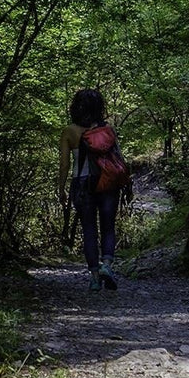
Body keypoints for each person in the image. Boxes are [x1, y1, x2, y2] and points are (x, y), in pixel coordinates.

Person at [58, 89, 131, 291]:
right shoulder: (108, 129)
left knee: (89, 230)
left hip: (82, 184)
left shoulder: (69, 131)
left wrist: (61, 188)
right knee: (108, 226)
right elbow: (118, 158)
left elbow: (64, 164)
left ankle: (94, 278)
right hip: (108, 183)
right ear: (100, 107)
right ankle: (107, 266)